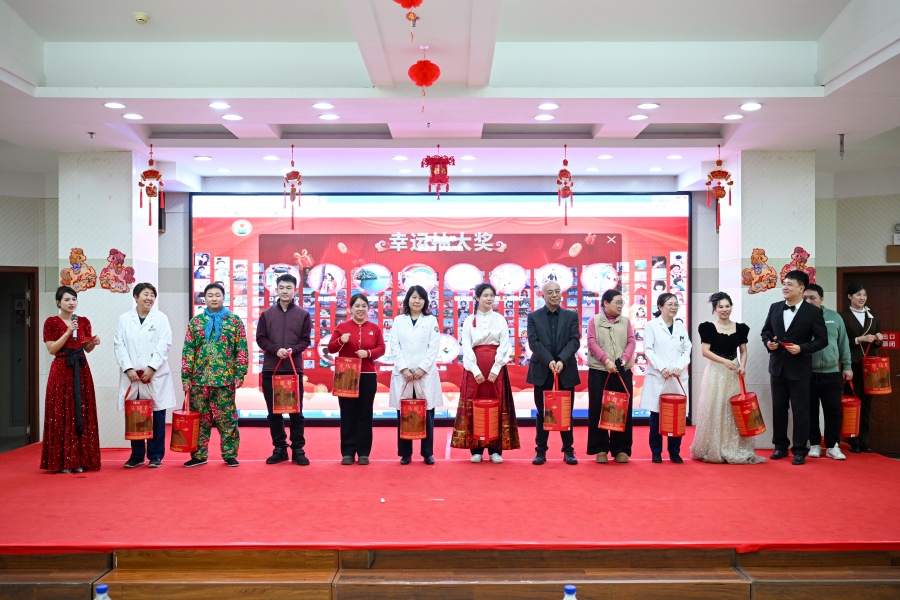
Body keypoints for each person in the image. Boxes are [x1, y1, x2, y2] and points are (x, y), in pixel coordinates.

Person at [760, 270, 827, 465]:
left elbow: (822, 340)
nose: (785, 287)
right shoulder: (775, 307)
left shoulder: (813, 312)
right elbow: (766, 332)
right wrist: (769, 344)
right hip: (777, 368)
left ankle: (799, 450)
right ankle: (780, 446)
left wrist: (802, 348)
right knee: (779, 408)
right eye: (784, 284)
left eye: (790, 284)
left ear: (801, 288)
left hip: (800, 369)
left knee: (800, 410)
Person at [689, 292, 764, 464]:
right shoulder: (707, 327)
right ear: (715, 309)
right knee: (715, 407)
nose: (725, 309)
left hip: (734, 373)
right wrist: (724, 361)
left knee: (734, 410)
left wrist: (742, 366)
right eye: (720, 307)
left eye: (727, 306)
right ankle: (713, 447)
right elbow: (705, 351)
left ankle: (734, 446)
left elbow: (743, 351)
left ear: (731, 307)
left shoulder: (741, 328)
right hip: (716, 372)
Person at [181, 282, 249, 468]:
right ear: (205, 298)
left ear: (223, 297)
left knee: (227, 419)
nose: (214, 298)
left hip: (224, 379)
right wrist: (186, 376)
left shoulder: (234, 321)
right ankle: (199, 455)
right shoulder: (196, 322)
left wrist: (240, 373)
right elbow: (188, 350)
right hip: (199, 380)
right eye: (210, 295)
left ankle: (229, 454)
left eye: (217, 295)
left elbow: (241, 349)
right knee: (200, 419)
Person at [451, 283, 520, 462]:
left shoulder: (500, 319)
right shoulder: (469, 320)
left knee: (497, 404)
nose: (489, 299)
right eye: (485, 295)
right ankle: (476, 450)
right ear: (477, 298)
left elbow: (505, 345)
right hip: (474, 368)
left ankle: (495, 450)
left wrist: (496, 368)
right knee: (474, 405)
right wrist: (475, 370)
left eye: (491, 295)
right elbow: (466, 347)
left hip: (496, 367)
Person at [113, 282, 177, 469]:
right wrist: (128, 369)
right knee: (136, 416)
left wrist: (151, 368)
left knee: (157, 416)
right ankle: (137, 455)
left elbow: (164, 345)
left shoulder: (161, 318)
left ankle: (155, 455)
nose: (149, 298)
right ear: (135, 297)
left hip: (155, 375)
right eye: (145, 294)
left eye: (152, 295)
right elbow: (119, 345)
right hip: (132, 376)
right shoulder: (125, 319)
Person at [41, 286, 102, 473]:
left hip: (81, 368)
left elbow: (86, 349)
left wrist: (92, 343)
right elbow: (52, 349)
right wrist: (68, 332)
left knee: (81, 411)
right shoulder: (51, 322)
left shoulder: (83, 321)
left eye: (74, 299)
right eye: (67, 299)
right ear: (58, 302)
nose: (71, 303)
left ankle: (80, 460)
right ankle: (62, 462)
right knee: (61, 411)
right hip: (61, 369)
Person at [256, 274, 312, 466]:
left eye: (289, 288)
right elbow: (261, 339)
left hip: (293, 370)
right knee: (274, 413)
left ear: (295, 290)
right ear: (276, 290)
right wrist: (275, 349)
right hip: (271, 370)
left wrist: (292, 351)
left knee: (296, 413)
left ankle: (298, 450)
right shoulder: (266, 314)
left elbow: (305, 340)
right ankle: (279, 448)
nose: (285, 291)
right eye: (281, 287)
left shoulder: (303, 315)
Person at [526, 281, 581, 465]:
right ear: (543, 295)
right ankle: (540, 451)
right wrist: (549, 360)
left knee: (566, 412)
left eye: (557, 291)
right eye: (550, 292)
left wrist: (561, 360)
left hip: (565, 369)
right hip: (542, 369)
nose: (555, 295)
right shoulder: (533, 317)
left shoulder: (571, 316)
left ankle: (568, 450)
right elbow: (533, 342)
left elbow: (575, 341)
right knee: (542, 412)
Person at [328, 293, 385, 465]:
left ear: (368, 309)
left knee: (365, 414)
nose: (360, 309)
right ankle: (347, 452)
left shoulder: (374, 328)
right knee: (347, 413)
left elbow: (381, 348)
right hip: (346, 375)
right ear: (350, 309)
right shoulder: (342, 327)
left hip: (367, 375)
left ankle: (363, 453)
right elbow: (331, 348)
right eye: (357, 306)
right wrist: (340, 340)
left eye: (363, 306)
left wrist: (368, 353)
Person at [389, 285, 442, 465]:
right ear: (408, 300)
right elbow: (394, 346)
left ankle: (427, 453)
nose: (417, 301)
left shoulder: (431, 321)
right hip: (403, 374)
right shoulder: (398, 321)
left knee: (426, 413)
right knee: (405, 413)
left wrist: (422, 369)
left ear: (425, 301)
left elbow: (433, 347)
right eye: (414, 297)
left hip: (424, 374)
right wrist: (403, 368)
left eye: (420, 298)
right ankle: (405, 453)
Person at [586, 289, 636, 464]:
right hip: (600, 370)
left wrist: (623, 359)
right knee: (598, 409)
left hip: (621, 370)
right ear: (606, 303)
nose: (620, 306)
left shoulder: (626, 322)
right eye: (617, 302)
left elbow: (631, 341)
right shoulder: (594, 321)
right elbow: (591, 342)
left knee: (622, 409)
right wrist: (606, 360)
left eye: (622, 303)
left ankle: (620, 449)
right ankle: (600, 448)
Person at [803, 284, 852, 460]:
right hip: (807, 373)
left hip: (831, 373)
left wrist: (847, 366)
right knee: (810, 411)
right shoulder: (800, 318)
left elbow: (843, 343)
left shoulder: (834, 317)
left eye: (812, 298)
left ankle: (832, 445)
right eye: (805, 298)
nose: (808, 301)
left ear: (822, 299)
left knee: (833, 411)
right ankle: (815, 444)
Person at [642, 293, 692, 464]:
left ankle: (674, 451)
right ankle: (656, 451)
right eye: (670, 304)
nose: (674, 307)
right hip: (659, 375)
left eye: (676, 304)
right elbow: (649, 350)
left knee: (676, 414)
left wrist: (679, 366)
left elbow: (687, 349)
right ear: (660, 307)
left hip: (677, 376)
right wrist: (662, 367)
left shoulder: (680, 326)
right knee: (656, 415)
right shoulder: (651, 326)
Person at [840, 282, 884, 453]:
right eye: (858, 294)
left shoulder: (873, 316)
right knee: (852, 401)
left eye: (864, 295)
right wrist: (859, 339)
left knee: (867, 403)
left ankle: (864, 440)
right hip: (852, 364)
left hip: (870, 366)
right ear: (849, 296)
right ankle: (853, 440)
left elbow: (877, 344)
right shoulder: (843, 316)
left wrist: (879, 339)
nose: (862, 298)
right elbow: (841, 342)